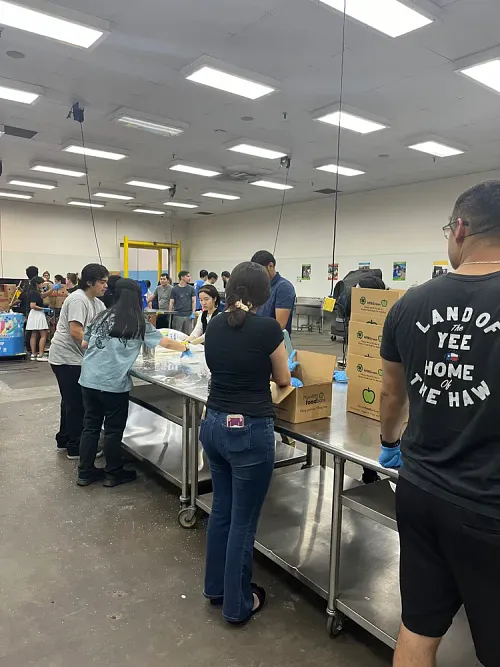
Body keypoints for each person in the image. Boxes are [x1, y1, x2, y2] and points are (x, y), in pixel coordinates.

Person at [379, 180, 500, 667]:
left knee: (417, 630)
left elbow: (391, 393)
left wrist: (389, 440)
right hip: (487, 504)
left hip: (420, 491)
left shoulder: (409, 303)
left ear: (461, 229)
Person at [201, 261, 295, 625]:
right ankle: (238, 604)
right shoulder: (268, 329)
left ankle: (216, 588)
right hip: (248, 431)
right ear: (263, 295)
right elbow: (283, 378)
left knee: (222, 511)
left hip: (213, 424)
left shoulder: (214, 324)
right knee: (243, 521)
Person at [77, 279, 190, 487]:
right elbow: (165, 342)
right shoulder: (137, 322)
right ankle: (113, 473)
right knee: (113, 430)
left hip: (88, 380)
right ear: (137, 298)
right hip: (113, 384)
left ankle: (85, 472)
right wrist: (185, 347)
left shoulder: (101, 316)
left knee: (90, 426)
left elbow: (85, 343)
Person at [48, 264, 109, 460]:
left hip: (78, 358)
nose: (105, 286)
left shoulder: (98, 303)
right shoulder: (78, 299)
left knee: (69, 401)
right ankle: (76, 447)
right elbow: (76, 331)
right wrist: (99, 347)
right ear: (89, 282)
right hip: (66, 359)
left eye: (106, 282)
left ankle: (64, 439)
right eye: (102, 282)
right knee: (76, 404)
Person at [250, 251, 296, 335]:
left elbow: (279, 326)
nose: (257, 275)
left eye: (260, 271)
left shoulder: (283, 288)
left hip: (273, 340)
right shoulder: (260, 286)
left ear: (271, 266)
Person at [26, 277, 50, 361]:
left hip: (33, 314)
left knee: (34, 334)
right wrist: (44, 309)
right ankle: (40, 355)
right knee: (43, 334)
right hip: (38, 313)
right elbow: (33, 305)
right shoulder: (35, 293)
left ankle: (33, 354)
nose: (43, 285)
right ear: (37, 284)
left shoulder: (32, 292)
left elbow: (43, 295)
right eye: (42, 283)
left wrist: (50, 289)